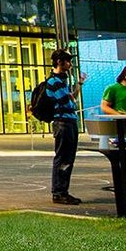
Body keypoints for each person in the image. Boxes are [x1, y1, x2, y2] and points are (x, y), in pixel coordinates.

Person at [42, 49, 83, 205]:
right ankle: (59, 192)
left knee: (68, 158)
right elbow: (67, 102)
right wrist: (70, 98)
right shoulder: (54, 82)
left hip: (69, 121)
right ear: (59, 62)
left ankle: (63, 190)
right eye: (68, 61)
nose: (70, 64)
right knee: (63, 158)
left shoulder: (61, 81)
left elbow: (70, 99)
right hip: (63, 122)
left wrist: (78, 85)